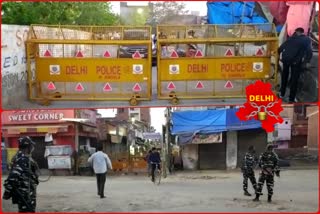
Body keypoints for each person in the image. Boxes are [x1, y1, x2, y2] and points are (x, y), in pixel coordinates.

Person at [2, 136, 39, 213]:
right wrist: (7, 192)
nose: (32, 148)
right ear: (27, 147)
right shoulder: (22, 159)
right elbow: (12, 177)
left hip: (27, 192)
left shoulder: (23, 158)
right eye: (31, 146)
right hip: (24, 195)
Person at [278, 27, 313, 103]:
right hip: (295, 62)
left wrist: (280, 58)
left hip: (286, 60)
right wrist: (306, 62)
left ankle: (282, 94)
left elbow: (280, 48)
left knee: (284, 76)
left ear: (296, 32)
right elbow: (309, 52)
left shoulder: (290, 39)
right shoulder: (306, 40)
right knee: (294, 80)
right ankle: (291, 98)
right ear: (303, 32)